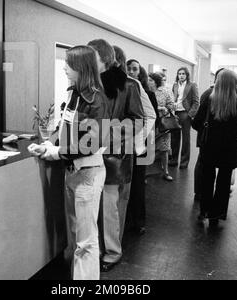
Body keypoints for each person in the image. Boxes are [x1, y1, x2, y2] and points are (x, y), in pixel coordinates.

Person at [28, 45, 109, 280]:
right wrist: (49, 145)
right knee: (76, 237)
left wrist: (56, 153)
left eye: (69, 63)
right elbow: (64, 129)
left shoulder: (97, 100)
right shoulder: (73, 94)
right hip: (72, 173)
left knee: (86, 241)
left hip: (88, 174)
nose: (64, 67)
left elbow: (91, 144)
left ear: (82, 68)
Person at [88, 39, 145, 272]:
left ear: (102, 58)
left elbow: (137, 120)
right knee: (95, 207)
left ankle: (112, 251)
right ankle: (99, 248)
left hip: (115, 155)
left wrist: (108, 133)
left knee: (111, 208)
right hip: (89, 153)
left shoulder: (128, 85)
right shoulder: (89, 83)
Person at [192, 69, 237, 227]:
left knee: (207, 180)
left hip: (208, 147)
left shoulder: (209, 100)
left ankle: (204, 210)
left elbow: (195, 123)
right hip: (229, 149)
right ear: (234, 84)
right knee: (224, 183)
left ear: (217, 82)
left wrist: (208, 132)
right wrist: (232, 135)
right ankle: (216, 215)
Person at [125, 58, 158, 235]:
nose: (131, 71)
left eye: (134, 69)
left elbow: (152, 118)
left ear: (140, 72)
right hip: (129, 141)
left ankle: (138, 220)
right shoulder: (124, 89)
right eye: (128, 69)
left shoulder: (147, 92)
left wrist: (140, 140)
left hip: (142, 142)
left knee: (138, 182)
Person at [194, 68, 224, 202]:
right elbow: (198, 120)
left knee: (205, 164)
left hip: (209, 137)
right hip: (205, 137)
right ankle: (199, 191)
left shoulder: (223, 95)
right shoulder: (208, 94)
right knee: (202, 163)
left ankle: (201, 190)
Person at [170, 67, 199, 169]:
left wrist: (190, 115)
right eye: (179, 74)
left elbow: (196, 102)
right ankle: (173, 160)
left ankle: (184, 162)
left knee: (186, 140)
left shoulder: (192, 85)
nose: (181, 75)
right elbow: (173, 98)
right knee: (174, 138)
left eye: (183, 74)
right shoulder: (175, 85)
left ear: (187, 75)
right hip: (175, 113)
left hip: (185, 114)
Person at [149, 72, 174, 181]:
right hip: (150, 124)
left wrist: (165, 109)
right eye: (148, 80)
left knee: (164, 149)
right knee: (149, 149)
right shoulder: (146, 92)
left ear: (156, 82)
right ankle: (146, 173)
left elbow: (171, 105)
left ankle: (166, 171)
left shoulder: (165, 91)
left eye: (151, 80)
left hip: (163, 124)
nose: (148, 82)